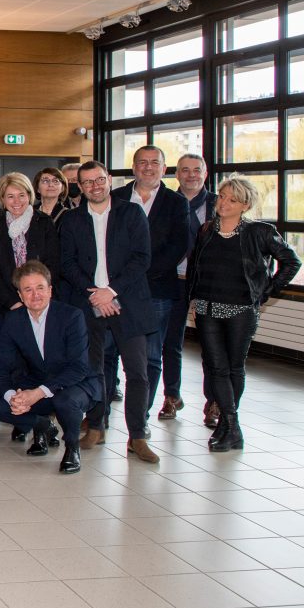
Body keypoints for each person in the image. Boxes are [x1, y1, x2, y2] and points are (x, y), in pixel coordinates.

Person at [187, 177, 300, 452]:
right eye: (222, 197)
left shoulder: (259, 232)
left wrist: (266, 291)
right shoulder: (206, 231)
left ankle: (228, 426)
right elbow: (195, 266)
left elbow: (291, 261)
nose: (223, 203)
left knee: (234, 367)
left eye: (231, 200)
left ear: (245, 205)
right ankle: (231, 424)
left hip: (240, 310)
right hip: (207, 308)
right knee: (216, 367)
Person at [59, 161, 160, 464]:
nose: (94, 186)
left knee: (138, 372)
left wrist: (111, 291)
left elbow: (142, 258)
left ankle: (138, 436)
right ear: (80, 186)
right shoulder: (72, 220)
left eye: (99, 180)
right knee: (94, 370)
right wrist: (95, 294)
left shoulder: (131, 213)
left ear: (109, 180)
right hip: (89, 305)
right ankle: (97, 427)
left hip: (128, 302)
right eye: (87, 182)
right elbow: (67, 264)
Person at [0, 261, 102, 474]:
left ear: (50, 290)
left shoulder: (71, 316)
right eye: (28, 290)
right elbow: (1, 365)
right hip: (39, 380)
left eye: (40, 288)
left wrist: (39, 393)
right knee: (0, 407)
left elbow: (78, 368)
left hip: (78, 382)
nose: (35, 295)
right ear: (20, 296)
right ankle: (42, 425)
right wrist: (12, 395)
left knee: (64, 400)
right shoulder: (13, 320)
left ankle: (72, 448)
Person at [109, 146, 189, 423]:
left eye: (154, 163)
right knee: (108, 353)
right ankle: (101, 413)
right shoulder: (116, 197)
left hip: (156, 290)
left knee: (151, 356)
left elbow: (178, 246)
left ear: (164, 169)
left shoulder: (177, 203)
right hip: (114, 291)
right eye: (142, 162)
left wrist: (139, 273)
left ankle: (140, 416)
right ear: (133, 167)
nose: (148, 167)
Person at [162, 153, 217, 424]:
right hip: (174, 282)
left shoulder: (219, 203)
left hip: (209, 285)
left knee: (211, 346)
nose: (191, 175)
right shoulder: (167, 203)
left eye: (197, 170)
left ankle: (214, 401)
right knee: (171, 343)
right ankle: (172, 396)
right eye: (185, 170)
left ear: (205, 173)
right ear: (177, 175)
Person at [0, 173, 60, 312]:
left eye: (21, 195)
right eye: (10, 196)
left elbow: (52, 263)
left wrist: (35, 297)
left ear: (29, 195)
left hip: (40, 300)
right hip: (7, 304)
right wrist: (12, 301)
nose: (16, 201)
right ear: (2, 199)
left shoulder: (44, 223)